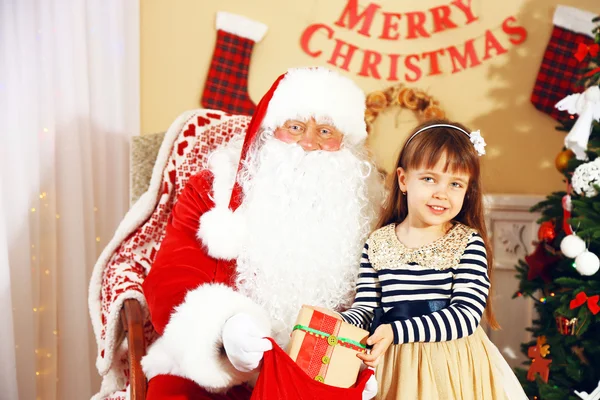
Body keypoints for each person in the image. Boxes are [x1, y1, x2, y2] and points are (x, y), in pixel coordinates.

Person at [140, 67, 383, 399]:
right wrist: (224, 328)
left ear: (345, 142)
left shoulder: (368, 212)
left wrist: (362, 365)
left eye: (325, 131)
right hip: (220, 369)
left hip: (317, 373)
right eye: (295, 127)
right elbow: (171, 277)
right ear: (270, 131)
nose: (309, 143)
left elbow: (384, 302)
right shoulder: (213, 192)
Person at [338, 120, 528, 399]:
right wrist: (336, 324)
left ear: (467, 190)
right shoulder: (377, 242)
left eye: (455, 183)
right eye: (429, 179)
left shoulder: (467, 243)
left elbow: (466, 316)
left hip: (449, 367)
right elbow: (366, 308)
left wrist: (396, 331)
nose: (441, 193)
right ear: (403, 180)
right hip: (393, 365)